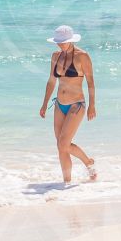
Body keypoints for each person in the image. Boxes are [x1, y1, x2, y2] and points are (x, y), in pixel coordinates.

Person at [38, 25, 97, 186]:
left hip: (76, 104)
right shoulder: (56, 56)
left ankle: (87, 161)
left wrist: (92, 105)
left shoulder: (82, 56)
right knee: (61, 147)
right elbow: (51, 81)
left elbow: (91, 82)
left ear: (71, 40)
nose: (61, 45)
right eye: (59, 42)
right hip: (59, 104)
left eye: (63, 42)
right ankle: (67, 183)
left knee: (64, 143)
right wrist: (44, 104)